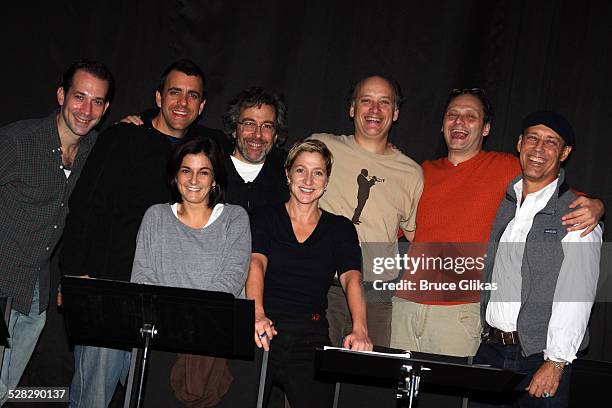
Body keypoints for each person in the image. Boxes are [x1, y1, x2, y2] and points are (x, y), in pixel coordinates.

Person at [391, 88, 604, 357]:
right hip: (405, 305)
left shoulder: (506, 168)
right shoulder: (420, 172)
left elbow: (554, 188)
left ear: (486, 128)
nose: (459, 122)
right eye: (452, 115)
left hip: (460, 313)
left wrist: (597, 205)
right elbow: (388, 223)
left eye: (471, 116)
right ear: (442, 123)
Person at [60, 58, 206, 408]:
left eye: (192, 96)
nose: (182, 103)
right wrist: (76, 277)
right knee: (92, 398)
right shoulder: (122, 137)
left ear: (202, 106)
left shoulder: (201, 157)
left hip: (162, 304)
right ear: (158, 97)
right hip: (108, 291)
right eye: (174, 92)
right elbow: (84, 206)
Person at [0, 59, 113, 404]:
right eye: (79, 97)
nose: (86, 109)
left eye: (97, 102)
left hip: (34, 293)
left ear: (106, 108)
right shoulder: (18, 141)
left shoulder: (93, 150)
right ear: (62, 95)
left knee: (4, 390)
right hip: (2, 281)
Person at [471, 111, 602, 407]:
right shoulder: (507, 202)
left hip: (538, 359)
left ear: (565, 153)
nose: (539, 148)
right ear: (519, 143)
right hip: (491, 352)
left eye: (551, 142)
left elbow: (576, 297)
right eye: (532, 138)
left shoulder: (577, 215)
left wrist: (555, 362)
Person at [246, 140, 372, 407]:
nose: (308, 179)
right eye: (301, 170)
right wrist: (256, 314)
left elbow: (352, 279)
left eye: (318, 172)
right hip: (264, 332)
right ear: (288, 173)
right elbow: (256, 263)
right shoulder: (265, 217)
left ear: (326, 181)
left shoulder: (340, 228)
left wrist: (360, 328)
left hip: (310, 336)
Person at [310, 75, 424, 348]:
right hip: (323, 289)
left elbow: (413, 234)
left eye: (384, 103)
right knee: (309, 378)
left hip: (376, 297)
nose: (374, 110)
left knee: (365, 385)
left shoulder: (410, 173)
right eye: (366, 101)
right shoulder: (321, 148)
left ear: (395, 113)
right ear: (352, 109)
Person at [222, 86, 289, 211]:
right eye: (249, 124)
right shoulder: (212, 169)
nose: (257, 134)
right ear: (234, 129)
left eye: (267, 126)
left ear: (276, 135)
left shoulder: (289, 175)